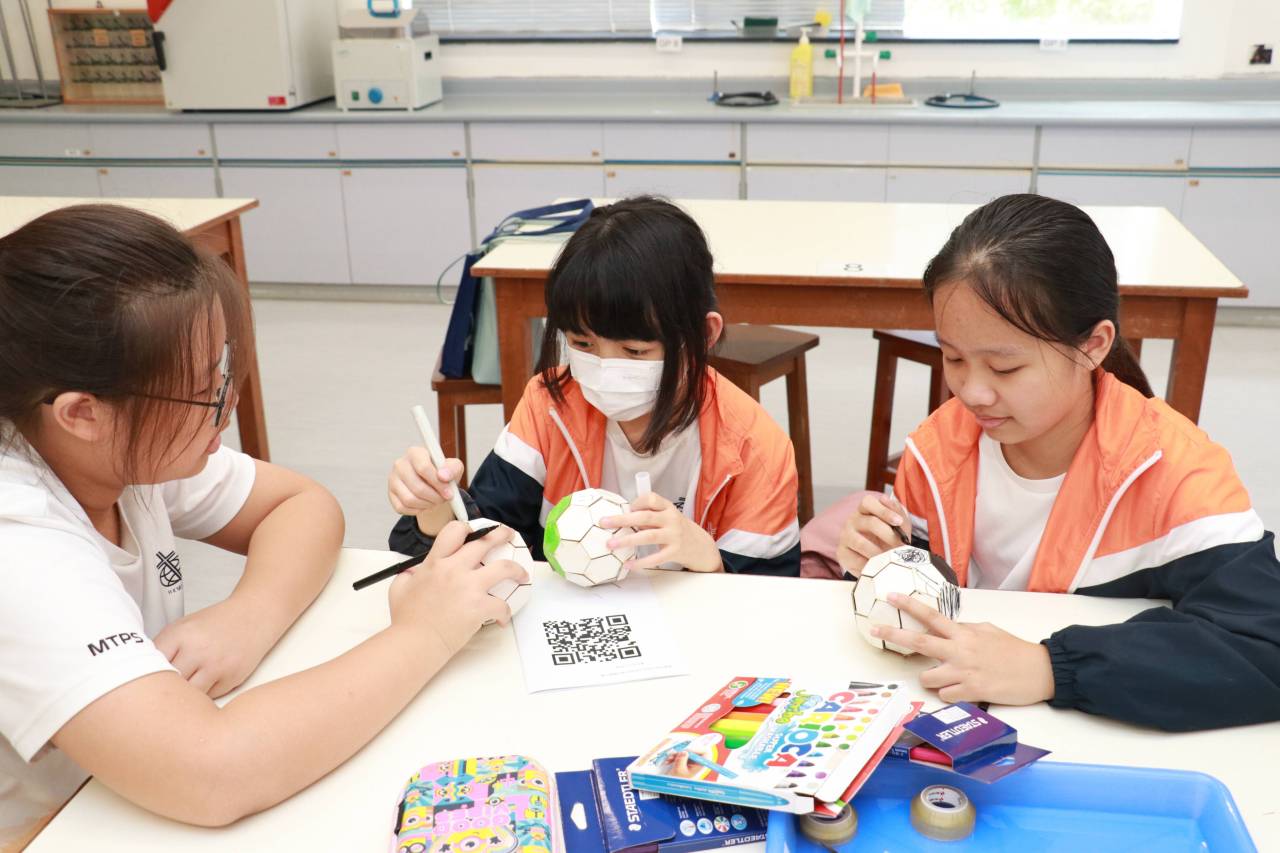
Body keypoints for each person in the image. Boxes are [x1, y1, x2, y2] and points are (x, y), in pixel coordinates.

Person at [0, 206, 526, 845]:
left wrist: (249, 614)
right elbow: (212, 773)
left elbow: (303, 505)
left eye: (223, 371)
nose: (227, 407)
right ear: (83, 414)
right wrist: (426, 633)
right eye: (203, 391)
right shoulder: (21, 547)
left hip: (118, 795)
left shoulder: (117, 448)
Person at [801, 194, 1280, 731]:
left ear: (1094, 345)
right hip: (961, 725)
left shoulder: (1175, 473)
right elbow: (928, 597)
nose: (971, 392)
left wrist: (1051, 667)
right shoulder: (938, 451)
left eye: (1005, 368)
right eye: (953, 357)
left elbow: (1265, 646)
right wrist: (883, 566)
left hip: (1090, 732)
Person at [388, 196, 800, 576]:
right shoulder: (549, 406)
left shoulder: (753, 448)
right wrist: (435, 510)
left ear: (704, 335)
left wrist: (709, 559)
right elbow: (483, 542)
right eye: (582, 344)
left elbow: (776, 601)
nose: (604, 369)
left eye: (635, 350)